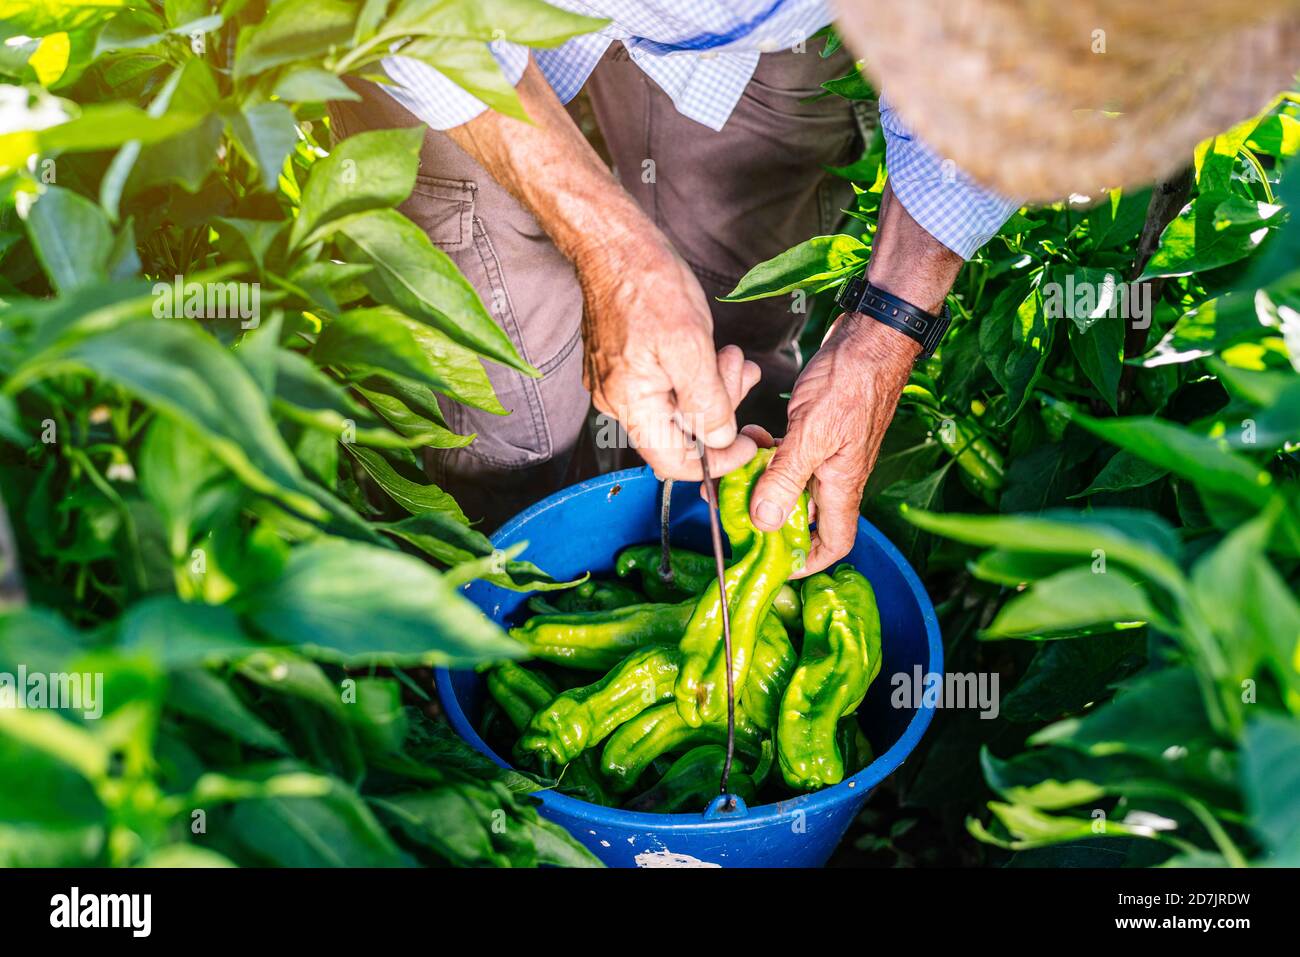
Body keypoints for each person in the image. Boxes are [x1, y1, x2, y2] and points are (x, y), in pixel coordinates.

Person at [332, 0, 1296, 576]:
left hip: (757, 36)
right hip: (460, 30)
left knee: (730, 339)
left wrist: (885, 332)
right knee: (503, 416)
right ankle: (490, 629)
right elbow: (415, 20)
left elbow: (1004, 67)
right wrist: (610, 247)